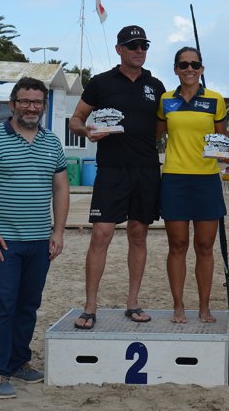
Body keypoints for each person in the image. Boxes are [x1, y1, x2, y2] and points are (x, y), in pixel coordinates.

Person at [0, 77, 69, 398]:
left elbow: (61, 187)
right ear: (12, 104)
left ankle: (19, 361)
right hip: (2, 243)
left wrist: (58, 231)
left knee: (28, 305)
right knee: (1, 306)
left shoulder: (52, 142)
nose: (31, 107)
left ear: (43, 106)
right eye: (25, 101)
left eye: (37, 102)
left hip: (39, 242)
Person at [70, 25, 166, 329]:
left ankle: (133, 303)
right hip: (111, 170)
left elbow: (161, 127)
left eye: (144, 45)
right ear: (119, 50)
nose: (139, 51)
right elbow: (75, 119)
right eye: (133, 45)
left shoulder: (157, 85)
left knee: (139, 235)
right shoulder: (101, 83)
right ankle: (89, 306)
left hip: (147, 169)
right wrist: (87, 132)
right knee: (101, 234)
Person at [157, 47, 229, 324]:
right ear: (175, 69)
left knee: (204, 246)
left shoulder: (215, 100)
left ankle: (204, 307)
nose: (189, 69)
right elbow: (153, 135)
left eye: (195, 64)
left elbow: (222, 143)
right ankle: (178, 307)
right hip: (174, 177)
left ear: (202, 68)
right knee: (177, 245)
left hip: (206, 179)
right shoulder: (165, 100)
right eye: (183, 64)